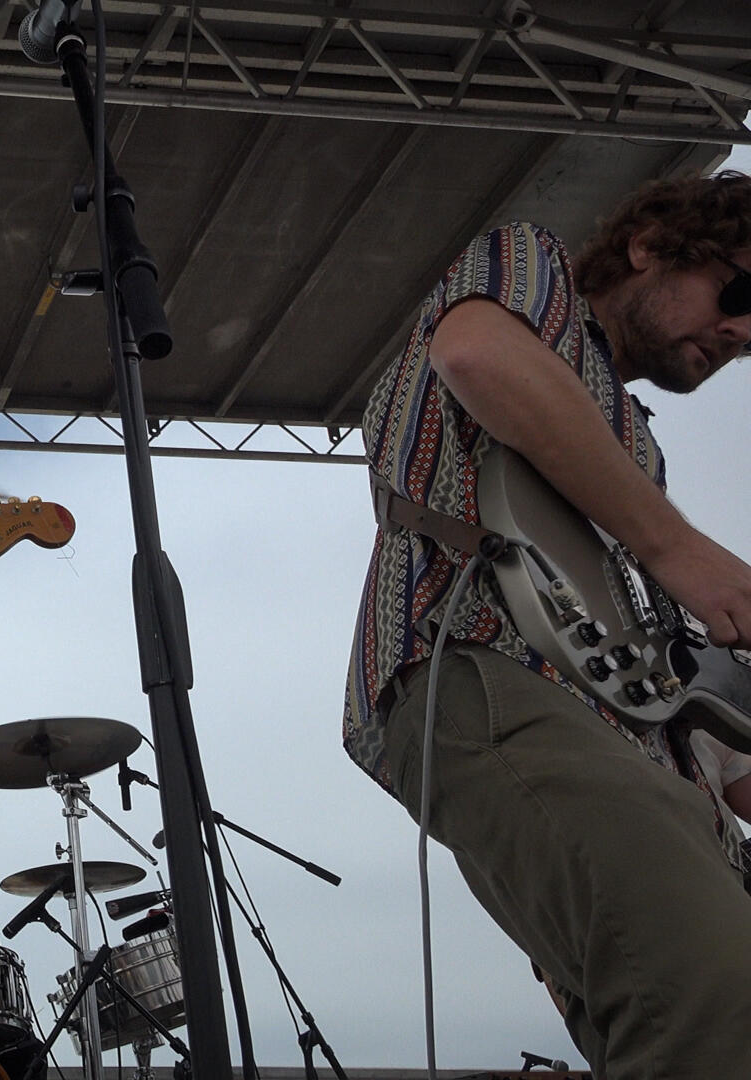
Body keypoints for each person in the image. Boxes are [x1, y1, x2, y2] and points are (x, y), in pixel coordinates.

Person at [346, 169, 751, 1075]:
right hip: (483, 670)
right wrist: (677, 548)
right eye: (740, 289)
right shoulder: (533, 273)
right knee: (714, 992)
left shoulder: (633, 442)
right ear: (651, 245)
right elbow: (478, 357)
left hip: (636, 757)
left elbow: (667, 671)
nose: (742, 331)